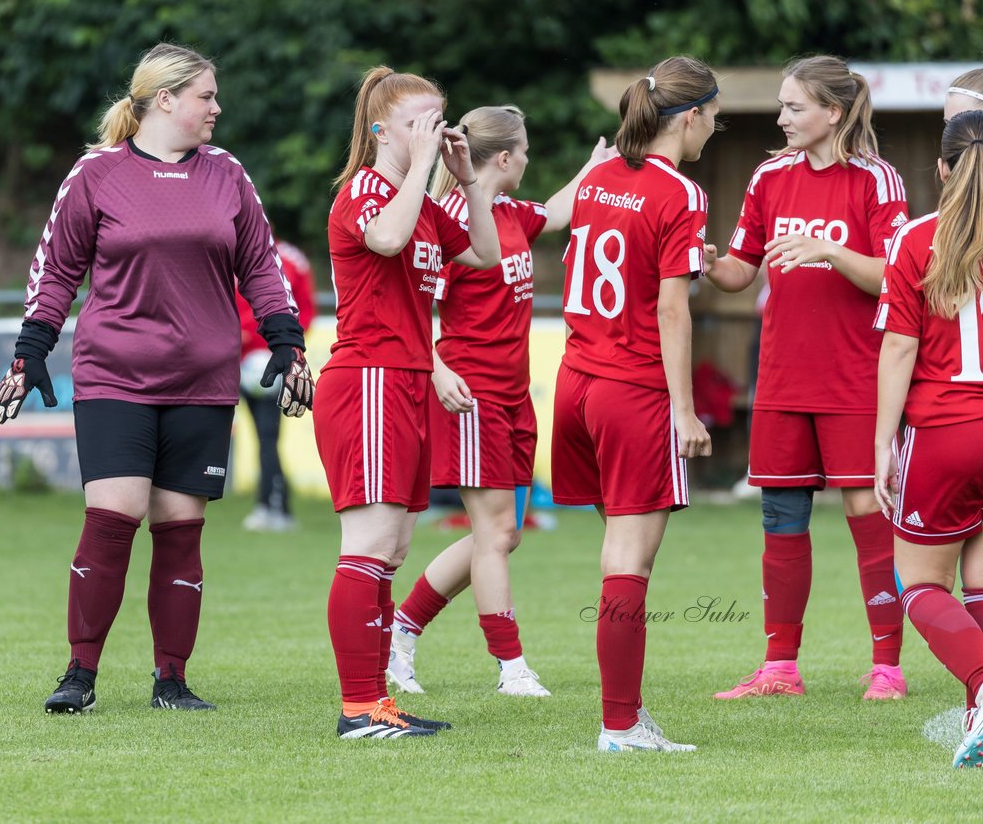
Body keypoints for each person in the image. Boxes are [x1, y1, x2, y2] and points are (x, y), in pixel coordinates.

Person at [0, 42, 314, 715]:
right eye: (206, 96)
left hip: (203, 379)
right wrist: (32, 349)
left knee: (179, 525)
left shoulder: (228, 175)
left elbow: (261, 266)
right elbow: (56, 271)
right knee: (113, 516)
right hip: (115, 374)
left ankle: (172, 680)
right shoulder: (96, 174)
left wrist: (287, 342)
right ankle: (80, 674)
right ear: (164, 99)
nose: (216, 108)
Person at [385, 107, 616, 698]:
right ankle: (511, 666)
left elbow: (560, 209)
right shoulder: (451, 218)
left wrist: (595, 167)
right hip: (472, 396)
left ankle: (401, 630)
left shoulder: (511, 214)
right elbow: (413, 306)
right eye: (528, 151)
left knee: (502, 535)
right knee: (493, 534)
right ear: (506, 158)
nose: (531, 161)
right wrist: (436, 372)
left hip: (513, 398)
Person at [705, 55, 910, 701]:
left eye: (795, 107)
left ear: (834, 113)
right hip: (783, 381)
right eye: (783, 106)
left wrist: (828, 250)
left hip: (855, 380)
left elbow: (894, 276)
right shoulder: (770, 176)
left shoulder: (878, 181)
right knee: (780, 516)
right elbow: (743, 269)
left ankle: (887, 668)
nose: (782, 117)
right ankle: (780, 668)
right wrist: (707, 263)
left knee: (867, 517)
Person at [315, 65, 501, 739]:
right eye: (422, 120)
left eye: (439, 117)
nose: (436, 129)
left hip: (406, 382)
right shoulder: (363, 191)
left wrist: (466, 176)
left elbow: (484, 251)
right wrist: (422, 164)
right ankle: (360, 708)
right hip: (366, 379)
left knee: (391, 546)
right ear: (382, 130)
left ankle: (375, 704)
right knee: (367, 543)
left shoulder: (421, 200)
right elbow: (385, 240)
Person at [552, 56, 717, 752]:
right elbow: (671, 314)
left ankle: (628, 715)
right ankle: (619, 725)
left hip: (576, 384)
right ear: (689, 117)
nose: (715, 129)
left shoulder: (597, 179)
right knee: (627, 562)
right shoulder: (681, 193)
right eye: (714, 116)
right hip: (633, 391)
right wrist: (684, 409)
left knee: (620, 553)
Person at [874, 109, 983, 768]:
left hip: (945, 430)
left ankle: (982, 690)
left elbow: (898, 349)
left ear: (942, 169)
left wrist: (883, 442)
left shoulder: (918, 238)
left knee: (919, 582)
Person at [236, 237, 316, 532]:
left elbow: (302, 310)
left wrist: (267, 342)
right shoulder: (239, 251)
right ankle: (274, 504)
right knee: (265, 437)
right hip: (245, 361)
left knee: (267, 436)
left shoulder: (288, 258)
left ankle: (273, 505)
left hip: (270, 360)